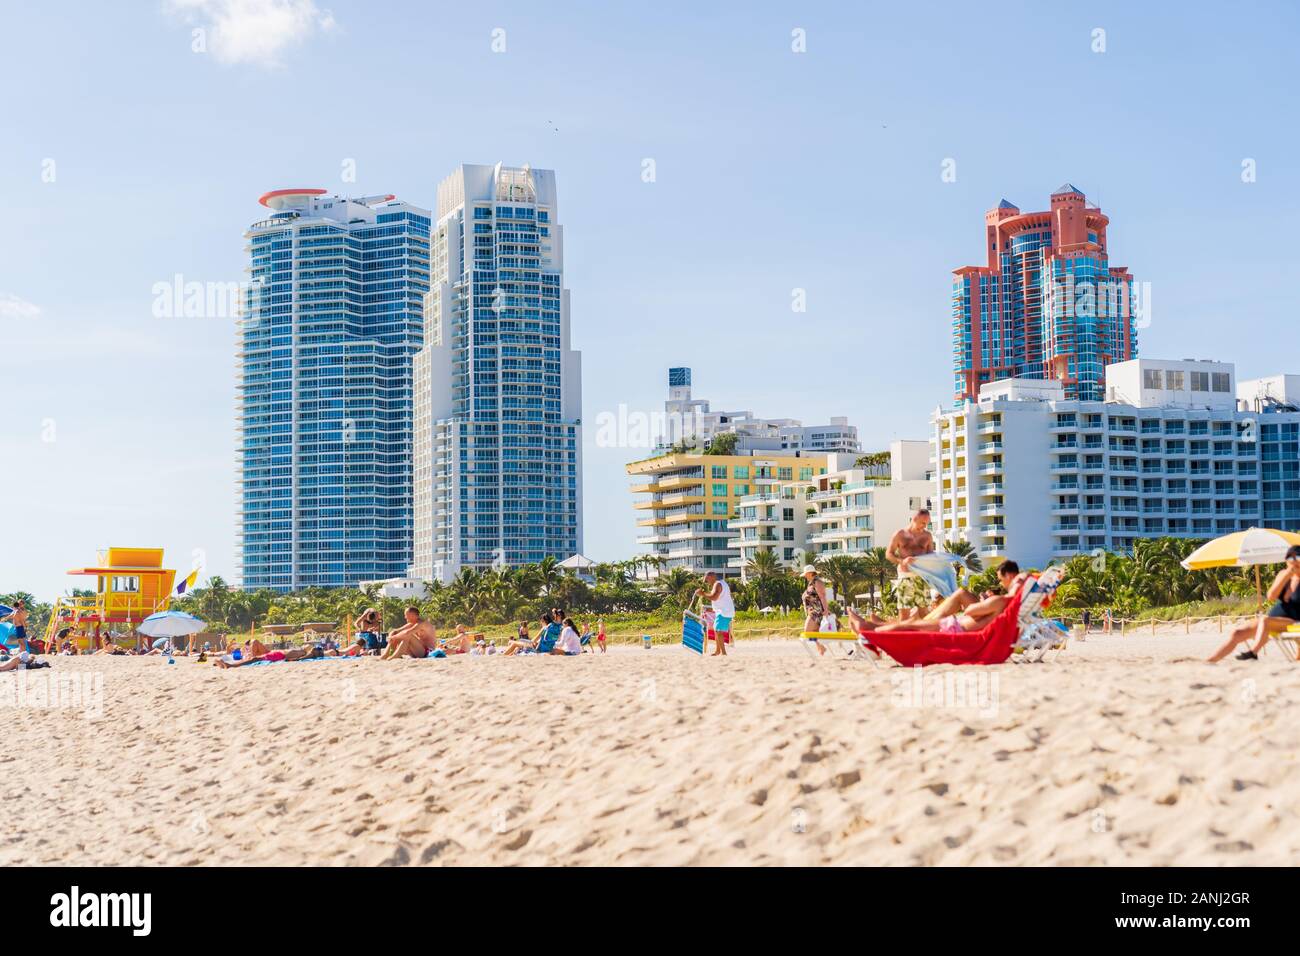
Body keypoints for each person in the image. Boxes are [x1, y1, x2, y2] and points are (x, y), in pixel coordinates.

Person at [848, 560, 1023, 635]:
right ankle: (874, 627)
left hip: (956, 628)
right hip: (957, 626)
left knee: (912, 627)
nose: (1002, 584)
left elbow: (970, 610)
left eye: (1001, 579)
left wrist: (985, 602)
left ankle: (871, 631)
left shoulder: (1002, 601)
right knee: (913, 625)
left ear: (1009, 576)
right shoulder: (1007, 603)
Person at [1208, 546, 1300, 662]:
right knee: (1237, 633)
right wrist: (1287, 576)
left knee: (1265, 621)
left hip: (1294, 621)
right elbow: (1271, 597)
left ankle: (1253, 652)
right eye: (1290, 559)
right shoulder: (1283, 574)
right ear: (1286, 561)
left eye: (1297, 557)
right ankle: (1211, 660)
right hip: (1273, 619)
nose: (1294, 561)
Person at [887, 509, 936, 620]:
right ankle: (902, 637)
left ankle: (925, 636)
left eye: (927, 523)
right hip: (905, 577)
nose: (925, 526)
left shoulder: (927, 536)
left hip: (922, 578)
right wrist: (902, 561)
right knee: (904, 614)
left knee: (925, 614)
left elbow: (931, 556)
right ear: (914, 519)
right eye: (923, 523)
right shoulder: (900, 534)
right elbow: (889, 554)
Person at [694, 571, 735, 656]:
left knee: (717, 630)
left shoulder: (718, 584)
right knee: (717, 630)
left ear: (712, 577)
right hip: (724, 611)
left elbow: (714, 597)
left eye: (707, 580)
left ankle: (723, 653)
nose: (707, 582)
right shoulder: (722, 583)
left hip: (724, 612)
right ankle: (718, 651)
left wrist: (702, 594)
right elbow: (721, 600)